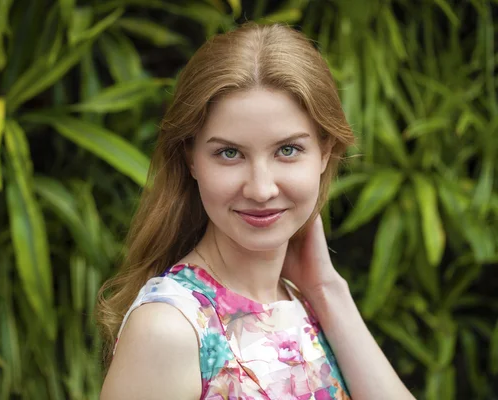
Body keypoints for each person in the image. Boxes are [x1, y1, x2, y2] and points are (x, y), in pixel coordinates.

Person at [97, 22, 414, 400]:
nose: (261, 189)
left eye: (287, 150)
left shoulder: (305, 304)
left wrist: (327, 291)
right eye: (229, 153)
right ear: (191, 160)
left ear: (325, 152)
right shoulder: (170, 328)